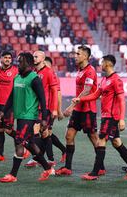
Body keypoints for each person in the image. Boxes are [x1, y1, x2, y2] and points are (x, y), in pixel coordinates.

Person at [74, 55, 127, 181]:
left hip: (111, 117)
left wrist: (121, 119)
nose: (100, 64)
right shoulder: (104, 79)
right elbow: (95, 95)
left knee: (101, 142)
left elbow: (122, 100)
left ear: (108, 64)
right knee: (116, 142)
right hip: (106, 116)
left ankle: (95, 172)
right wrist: (80, 99)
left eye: (102, 62)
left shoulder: (116, 79)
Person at [0, 52, 55, 183]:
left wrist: (44, 119)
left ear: (28, 63)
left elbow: (42, 100)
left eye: (21, 61)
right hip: (20, 115)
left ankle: (13, 175)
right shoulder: (17, 77)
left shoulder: (35, 79)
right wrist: (3, 111)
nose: (18, 63)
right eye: (17, 61)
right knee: (29, 143)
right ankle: (47, 168)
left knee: (19, 141)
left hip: (29, 116)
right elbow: (11, 96)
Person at [55, 45, 104, 176]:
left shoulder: (90, 71)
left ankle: (100, 167)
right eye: (76, 54)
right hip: (78, 110)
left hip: (88, 109)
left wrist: (71, 106)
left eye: (78, 54)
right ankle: (67, 167)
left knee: (93, 137)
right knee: (69, 136)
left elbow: (87, 90)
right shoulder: (80, 70)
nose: (75, 56)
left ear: (86, 56)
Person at [25, 51, 58, 167]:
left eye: (36, 56)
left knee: (35, 132)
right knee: (44, 134)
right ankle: (50, 159)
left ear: (43, 59)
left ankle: (36, 158)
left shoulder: (49, 72)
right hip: (33, 107)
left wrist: (54, 109)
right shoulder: (33, 72)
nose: (33, 58)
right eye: (33, 56)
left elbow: (55, 91)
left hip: (44, 108)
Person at [44, 56, 66, 162]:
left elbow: (58, 94)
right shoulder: (41, 74)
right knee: (46, 133)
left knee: (45, 132)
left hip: (50, 108)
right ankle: (63, 150)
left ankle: (49, 159)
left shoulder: (53, 76)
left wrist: (58, 110)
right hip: (42, 108)